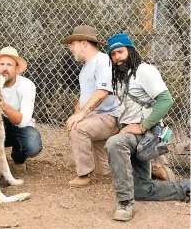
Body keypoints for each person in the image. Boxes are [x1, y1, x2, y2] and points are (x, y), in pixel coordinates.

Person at [105, 33, 190, 221]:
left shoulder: (144, 70)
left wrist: (142, 127)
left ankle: (124, 203)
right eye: (113, 54)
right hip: (133, 134)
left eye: (120, 52)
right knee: (141, 190)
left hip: (147, 135)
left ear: (130, 50)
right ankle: (187, 188)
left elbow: (166, 100)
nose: (117, 57)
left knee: (114, 143)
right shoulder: (120, 75)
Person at [61, 25, 121, 187]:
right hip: (96, 117)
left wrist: (80, 116)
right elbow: (86, 96)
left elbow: (102, 92)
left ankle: (83, 175)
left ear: (85, 43)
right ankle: (135, 168)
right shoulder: (87, 66)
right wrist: (77, 111)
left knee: (78, 127)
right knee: (104, 171)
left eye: (73, 44)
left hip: (110, 117)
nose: (71, 48)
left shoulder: (102, 61)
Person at [0, 46, 42, 172]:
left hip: (20, 128)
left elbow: (23, 121)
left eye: (9, 65)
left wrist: (4, 106)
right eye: (2, 64)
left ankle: (18, 157)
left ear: (17, 68)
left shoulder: (27, 86)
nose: (5, 68)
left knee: (32, 144)